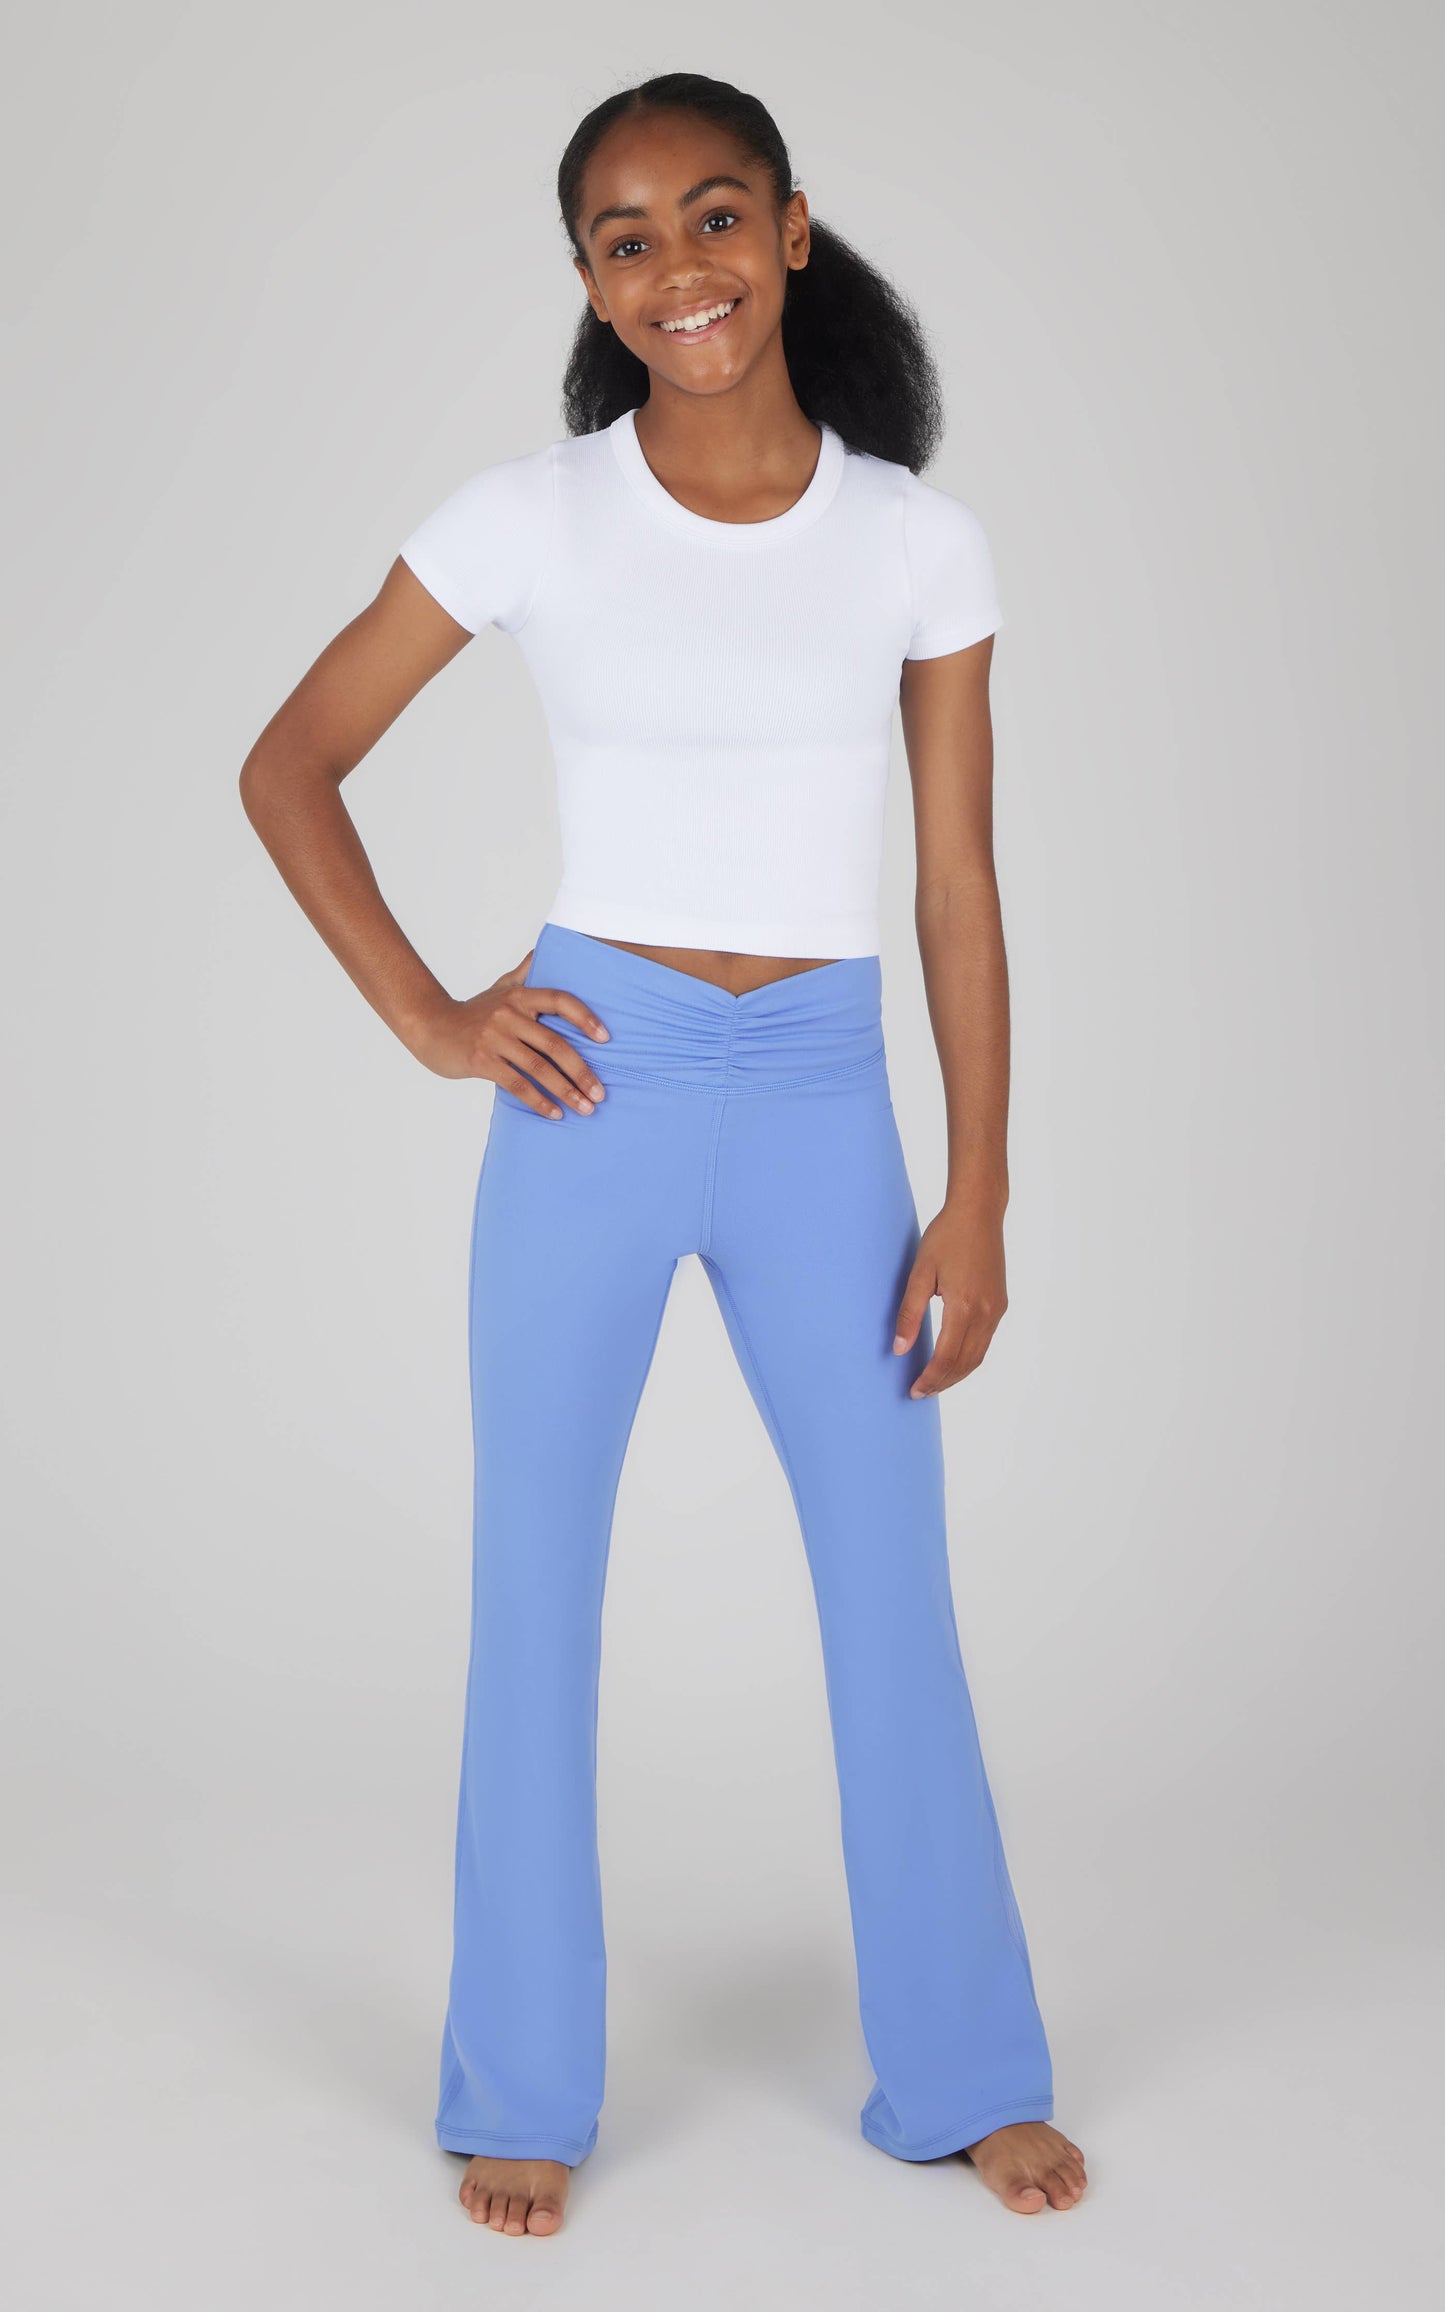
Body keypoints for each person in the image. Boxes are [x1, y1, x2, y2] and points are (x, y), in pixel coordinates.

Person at [239, 69, 1088, 2240]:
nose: (678, 268)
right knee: (535, 1592)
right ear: (590, 283)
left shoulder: (913, 539)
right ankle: (519, 2077)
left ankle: (966, 2068)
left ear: (791, 230)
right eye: (627, 240)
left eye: (715, 217)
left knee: (891, 1599)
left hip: (821, 1103)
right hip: (590, 1094)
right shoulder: (530, 516)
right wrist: (436, 1016)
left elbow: (958, 890)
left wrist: (979, 1191)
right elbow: (291, 763)